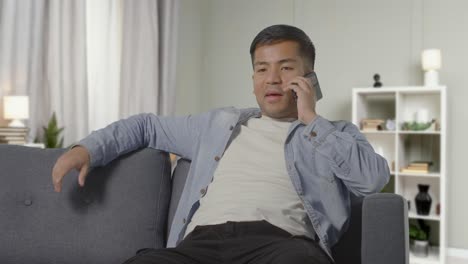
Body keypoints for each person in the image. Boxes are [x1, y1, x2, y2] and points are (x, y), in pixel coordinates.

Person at [52, 24, 390, 264]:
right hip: (200, 246)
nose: (272, 79)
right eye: (262, 69)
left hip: (281, 246)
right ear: (254, 79)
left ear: (310, 78)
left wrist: (311, 120)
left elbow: (372, 179)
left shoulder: (334, 133)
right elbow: (147, 126)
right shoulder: (218, 125)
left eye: (286, 68)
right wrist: (87, 149)